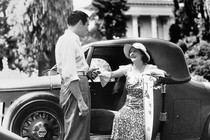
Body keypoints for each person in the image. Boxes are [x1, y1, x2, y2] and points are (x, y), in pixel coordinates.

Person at [99, 43, 165, 139]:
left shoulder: (150, 68)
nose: (132, 54)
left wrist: (149, 74)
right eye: (130, 52)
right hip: (128, 107)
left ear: (142, 54)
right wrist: (100, 73)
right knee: (119, 117)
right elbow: (112, 74)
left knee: (138, 122)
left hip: (145, 108)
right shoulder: (128, 68)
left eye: (135, 51)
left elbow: (163, 74)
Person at [55, 10, 98, 140]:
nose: (87, 29)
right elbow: (69, 73)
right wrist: (80, 100)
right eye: (86, 25)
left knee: (80, 128)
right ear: (80, 23)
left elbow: (71, 67)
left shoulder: (70, 40)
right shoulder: (69, 41)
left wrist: (87, 72)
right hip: (75, 87)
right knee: (76, 131)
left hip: (77, 84)